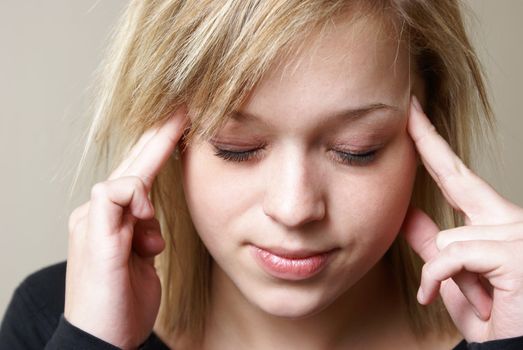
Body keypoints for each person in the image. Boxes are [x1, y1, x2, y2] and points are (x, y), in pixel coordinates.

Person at [1, 0, 523, 349]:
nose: (294, 209)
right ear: (171, 141)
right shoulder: (54, 319)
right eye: (237, 148)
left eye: (356, 150)